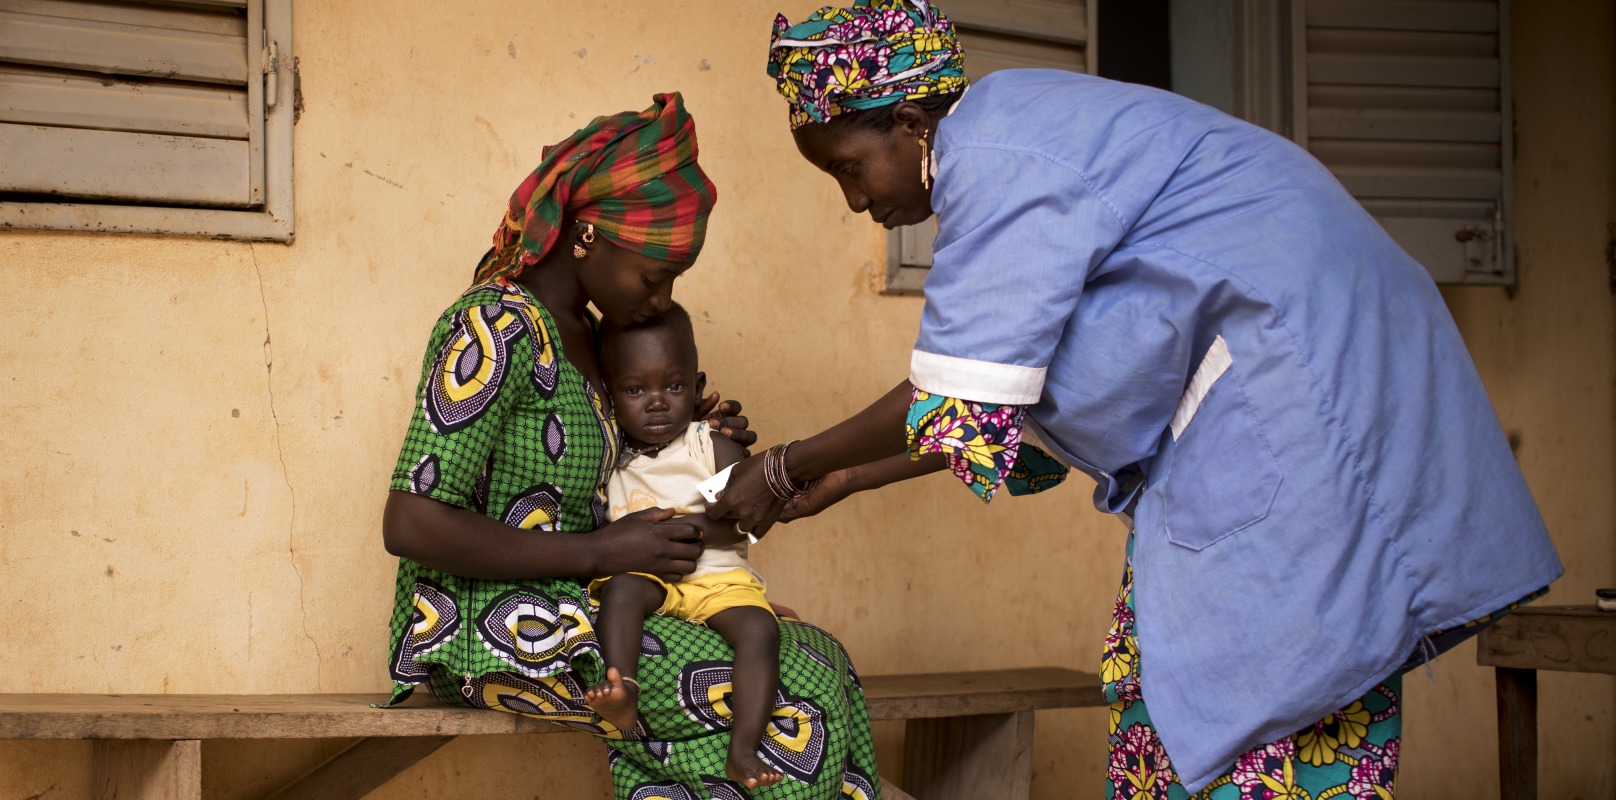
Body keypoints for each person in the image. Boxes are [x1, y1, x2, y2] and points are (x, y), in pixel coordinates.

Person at [711, 2, 1565, 797]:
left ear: (908, 124)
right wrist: (849, 480)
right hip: (1288, 396)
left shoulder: (996, 156)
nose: (859, 201)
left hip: (1305, 405)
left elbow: (958, 390)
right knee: (1164, 673)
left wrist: (784, 470)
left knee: (1275, 691)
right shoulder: (1022, 132)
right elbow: (1026, 391)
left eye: (850, 170)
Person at [380, 92, 882, 799]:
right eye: (654, 274)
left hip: (596, 602)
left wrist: (696, 437)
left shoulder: (592, 336)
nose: (662, 296)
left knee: (818, 657)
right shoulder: (494, 324)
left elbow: (608, 484)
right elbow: (409, 523)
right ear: (587, 236)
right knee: (796, 694)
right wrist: (599, 553)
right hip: (490, 622)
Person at [582, 305, 784, 790]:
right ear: (610, 394)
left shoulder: (711, 445)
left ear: (697, 388)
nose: (656, 403)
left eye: (672, 387)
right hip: (648, 579)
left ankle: (743, 750)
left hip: (716, 579)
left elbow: (741, 520)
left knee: (759, 629)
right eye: (634, 390)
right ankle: (622, 688)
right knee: (622, 592)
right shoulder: (609, 454)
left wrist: (679, 533)